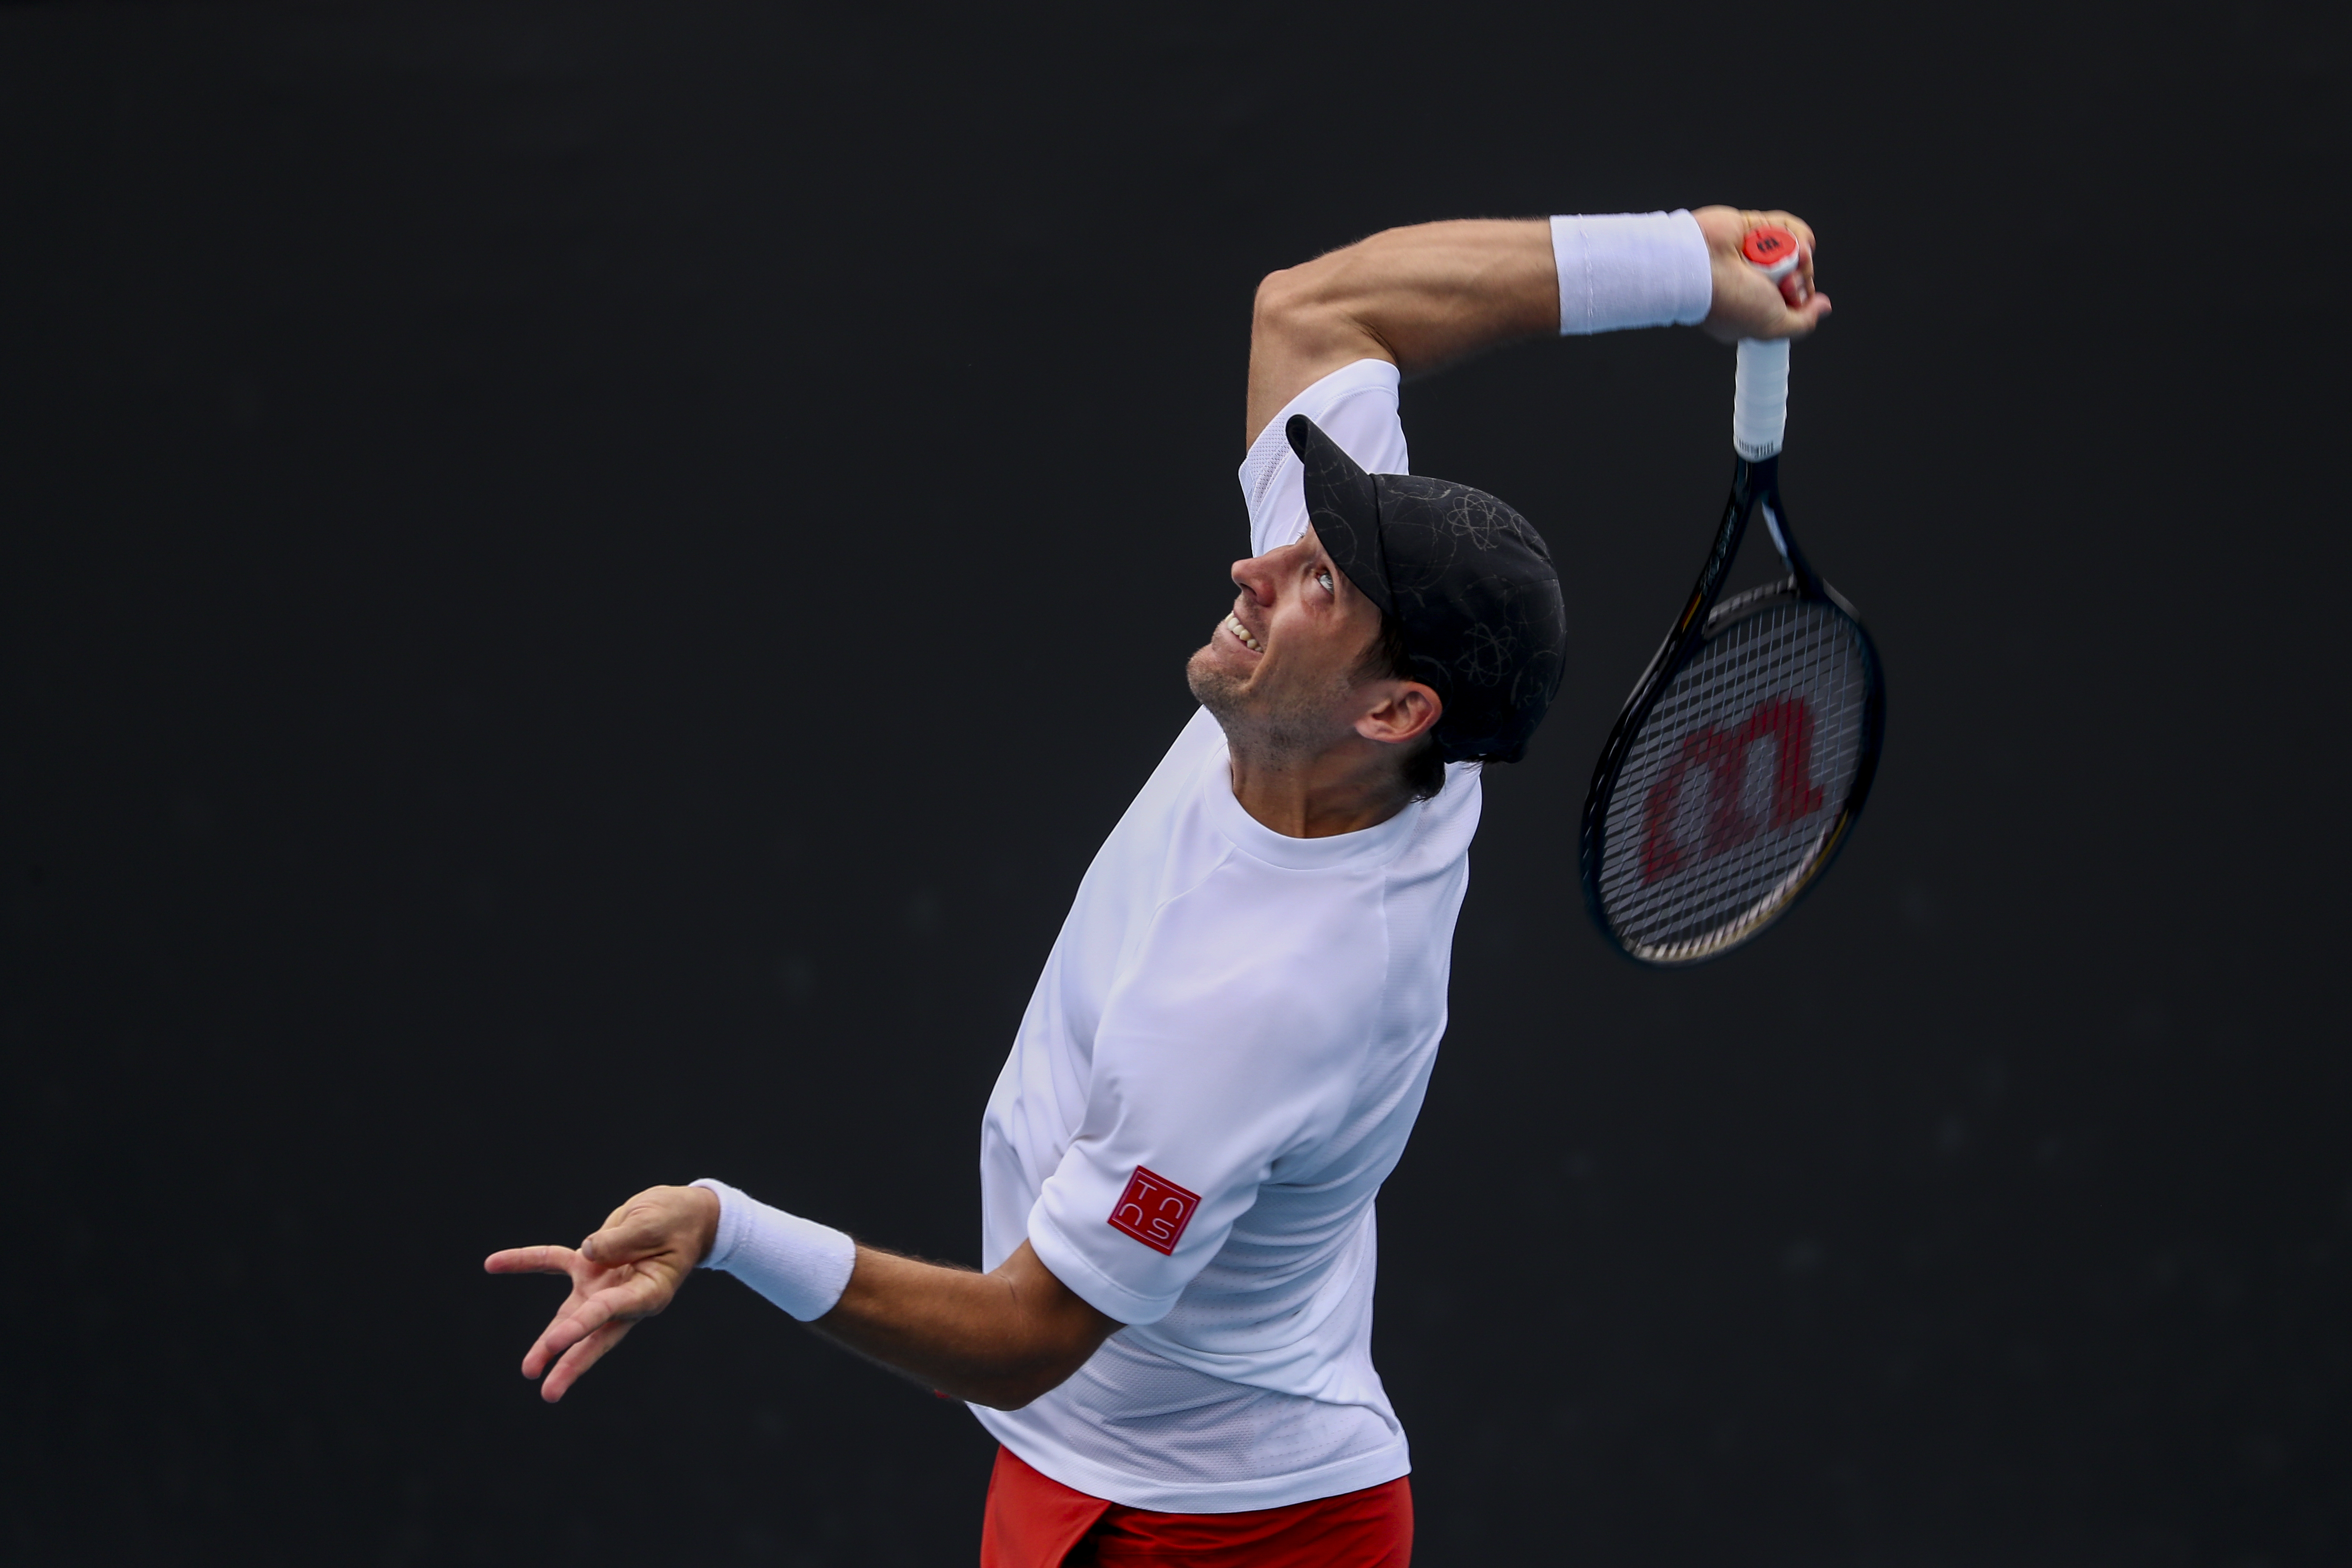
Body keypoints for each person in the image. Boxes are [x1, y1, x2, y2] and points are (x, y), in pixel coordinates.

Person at [487, 204, 1829, 1567]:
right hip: (1100, 1469)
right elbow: (1311, 310)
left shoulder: (1257, 1001)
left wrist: (727, 1228)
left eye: (1317, 579)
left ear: (1395, 708)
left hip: (1218, 1535)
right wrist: (1679, 258)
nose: (1254, 569)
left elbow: (1020, 1343)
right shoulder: (1373, 725)